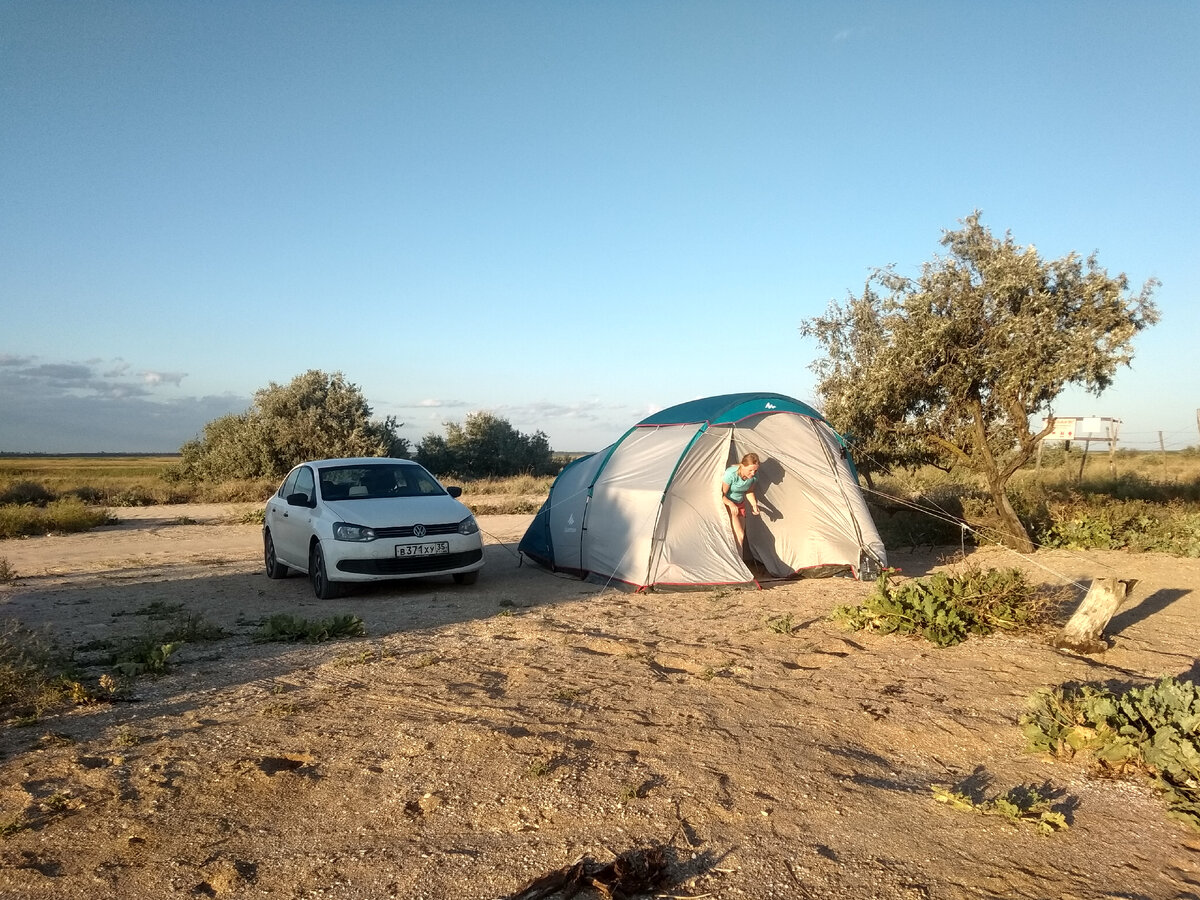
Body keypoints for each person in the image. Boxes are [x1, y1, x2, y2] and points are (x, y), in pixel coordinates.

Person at [720, 452, 761, 555]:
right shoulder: (731, 474)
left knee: (740, 538)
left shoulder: (753, 477)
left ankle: (740, 562)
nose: (753, 473)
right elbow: (721, 495)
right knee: (739, 535)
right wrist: (730, 504)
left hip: (740, 504)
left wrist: (754, 505)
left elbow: (749, 491)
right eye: (750, 470)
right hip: (728, 504)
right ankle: (737, 562)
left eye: (755, 470)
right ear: (742, 466)